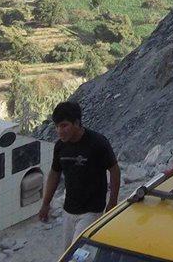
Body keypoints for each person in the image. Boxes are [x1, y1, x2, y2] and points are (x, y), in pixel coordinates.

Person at [39, 101, 121, 251]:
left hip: (91, 211)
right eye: (57, 126)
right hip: (69, 210)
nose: (59, 131)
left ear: (76, 123)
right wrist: (46, 203)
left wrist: (113, 202)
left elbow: (114, 170)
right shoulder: (60, 147)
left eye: (64, 125)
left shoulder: (97, 143)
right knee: (67, 253)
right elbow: (54, 174)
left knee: (80, 255)